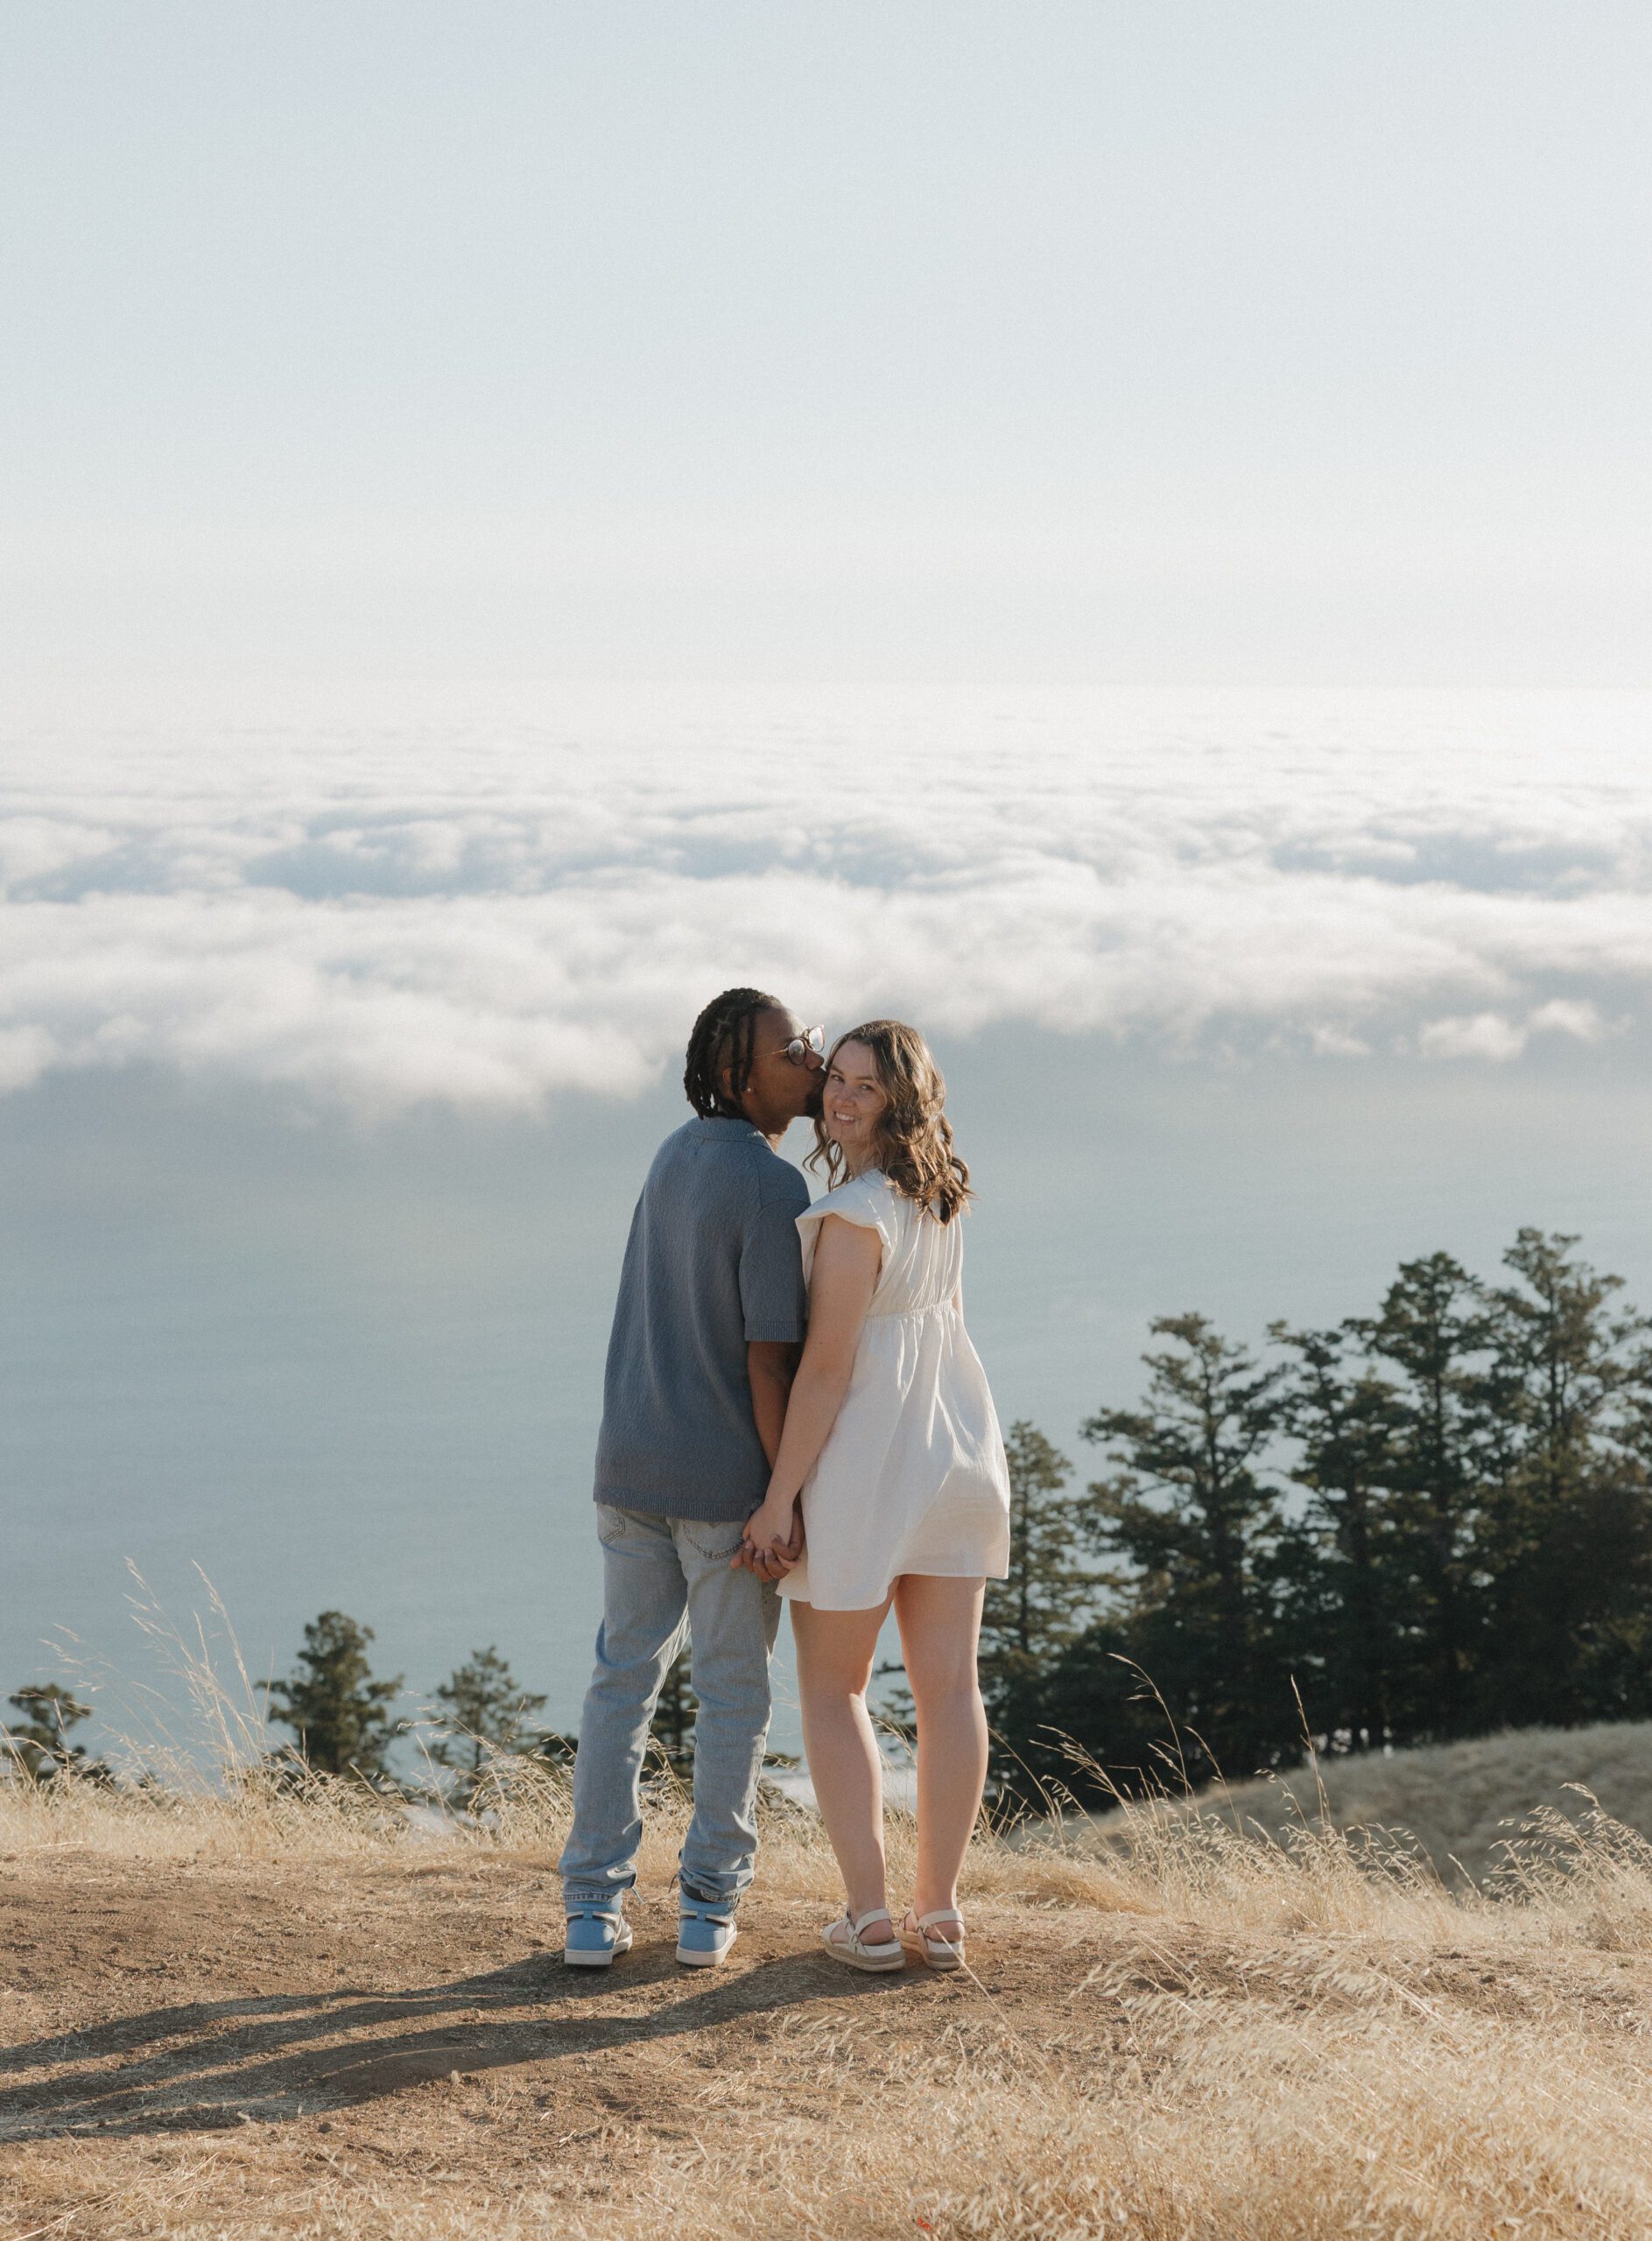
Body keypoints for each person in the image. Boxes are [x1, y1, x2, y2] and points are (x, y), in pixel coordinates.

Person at [559, 988, 826, 1969]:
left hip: (626, 1464)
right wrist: (780, 1497)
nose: (815, 1058)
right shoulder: (771, 1187)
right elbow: (769, 1361)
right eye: (793, 1049)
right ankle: (709, 1903)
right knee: (731, 1697)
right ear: (739, 1077)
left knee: (621, 1683)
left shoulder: (671, 1154)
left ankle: (591, 1903)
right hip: (720, 1488)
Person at [738, 1020, 1011, 1973]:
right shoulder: (941, 1198)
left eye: (865, 1085)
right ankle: (939, 1914)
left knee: (832, 1686)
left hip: (868, 1463)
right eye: (837, 1080)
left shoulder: (851, 1214)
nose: (841, 1098)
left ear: (902, 1098)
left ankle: (871, 1917)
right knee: (949, 1691)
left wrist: (779, 1499)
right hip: (959, 1450)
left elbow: (824, 1375)